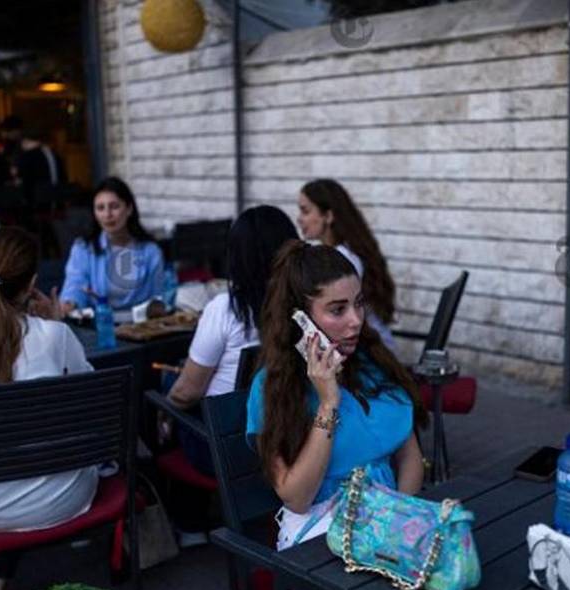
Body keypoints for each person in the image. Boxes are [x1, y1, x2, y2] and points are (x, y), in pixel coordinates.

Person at [0, 227, 97, 590]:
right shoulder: (55, 337)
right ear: (31, 284)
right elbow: (91, 405)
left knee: (2, 471)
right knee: (28, 461)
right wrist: (56, 327)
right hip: (60, 497)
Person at [247, 242, 426, 550]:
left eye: (359, 303)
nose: (356, 320)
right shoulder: (273, 389)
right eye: (337, 309)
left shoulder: (372, 364)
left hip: (388, 522)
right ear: (300, 319)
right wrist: (328, 402)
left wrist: (398, 520)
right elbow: (297, 497)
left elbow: (410, 457)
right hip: (318, 535)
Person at [168, 205, 299, 474]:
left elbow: (187, 393)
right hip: (288, 441)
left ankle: (174, 508)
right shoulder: (304, 305)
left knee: (169, 385)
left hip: (229, 451)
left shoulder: (226, 308)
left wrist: (164, 405)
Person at [298, 179, 398, 350]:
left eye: (306, 211)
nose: (299, 219)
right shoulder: (336, 254)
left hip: (370, 353)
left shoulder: (345, 260)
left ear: (328, 216)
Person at [60, 176, 163, 312]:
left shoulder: (150, 251)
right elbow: (75, 285)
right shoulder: (83, 248)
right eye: (100, 208)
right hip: (97, 326)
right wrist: (70, 303)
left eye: (114, 206)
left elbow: (158, 296)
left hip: (142, 327)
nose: (107, 214)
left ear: (129, 209)